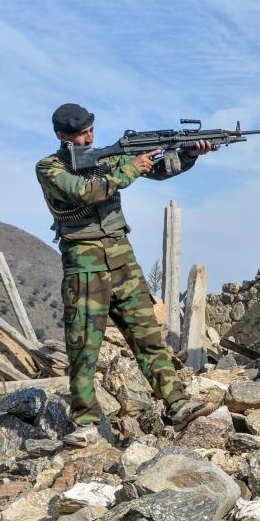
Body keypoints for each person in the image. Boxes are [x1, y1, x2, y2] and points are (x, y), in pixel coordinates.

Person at [36, 103, 213, 447]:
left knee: (148, 335)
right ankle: (85, 423)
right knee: (84, 345)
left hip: (122, 259)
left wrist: (189, 154)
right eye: (79, 134)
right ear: (61, 135)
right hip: (84, 266)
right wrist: (129, 170)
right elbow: (83, 191)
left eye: (90, 130)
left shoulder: (107, 158)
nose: (88, 137)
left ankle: (176, 404)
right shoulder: (50, 167)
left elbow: (159, 170)